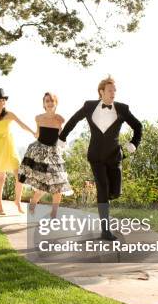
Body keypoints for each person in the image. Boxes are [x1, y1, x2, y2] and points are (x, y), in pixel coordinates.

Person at [58, 76, 142, 240]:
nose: (113, 93)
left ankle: (105, 198)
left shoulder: (122, 109)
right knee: (102, 189)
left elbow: (138, 126)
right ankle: (105, 230)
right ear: (101, 92)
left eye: (115, 91)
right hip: (96, 157)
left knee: (115, 192)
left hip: (114, 157)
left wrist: (134, 143)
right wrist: (62, 137)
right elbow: (74, 120)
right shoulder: (89, 106)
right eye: (110, 90)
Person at [18, 92, 73, 218]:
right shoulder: (38, 118)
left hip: (54, 154)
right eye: (47, 101)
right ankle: (33, 203)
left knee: (59, 185)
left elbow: (61, 136)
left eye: (51, 101)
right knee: (42, 186)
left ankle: (54, 214)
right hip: (40, 153)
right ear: (44, 104)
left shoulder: (60, 119)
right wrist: (35, 137)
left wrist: (63, 143)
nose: (49, 103)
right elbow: (37, 133)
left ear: (56, 103)